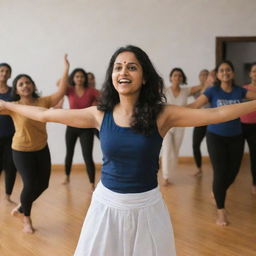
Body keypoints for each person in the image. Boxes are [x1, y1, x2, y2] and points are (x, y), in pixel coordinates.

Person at [1, 46, 256, 254]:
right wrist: (10, 107)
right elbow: (45, 114)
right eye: (118, 67)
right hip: (106, 206)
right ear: (112, 76)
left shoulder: (162, 114)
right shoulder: (99, 115)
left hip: (147, 206)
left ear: (144, 77)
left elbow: (217, 113)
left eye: (131, 67)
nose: (123, 71)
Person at [0, 55, 69, 233]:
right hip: (21, 151)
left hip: (41, 149)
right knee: (30, 184)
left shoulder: (42, 102)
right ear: (16, 89)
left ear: (33, 86)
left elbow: (61, 92)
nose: (25, 85)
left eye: (28, 82)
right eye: (21, 84)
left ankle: (22, 207)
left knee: (43, 184)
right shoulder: (13, 106)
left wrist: (66, 69)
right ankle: (27, 220)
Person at [188, 60, 256, 226]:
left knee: (232, 173)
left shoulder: (240, 91)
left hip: (236, 137)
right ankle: (221, 211)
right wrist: (172, 111)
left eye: (228, 70)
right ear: (217, 75)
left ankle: (217, 190)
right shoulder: (212, 91)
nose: (225, 73)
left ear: (232, 73)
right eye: (222, 70)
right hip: (215, 137)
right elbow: (196, 105)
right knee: (220, 173)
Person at [161, 67, 202, 186]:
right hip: (166, 125)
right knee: (167, 149)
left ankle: (170, 170)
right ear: (170, 78)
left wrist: (207, 80)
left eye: (179, 75)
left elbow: (200, 86)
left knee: (175, 150)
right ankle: (166, 177)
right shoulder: (165, 90)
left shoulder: (186, 91)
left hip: (180, 124)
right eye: (175, 75)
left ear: (182, 78)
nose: (177, 77)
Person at [62, 68, 99, 190]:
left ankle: (92, 184)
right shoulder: (69, 90)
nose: (79, 78)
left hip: (86, 128)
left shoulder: (91, 91)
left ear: (85, 79)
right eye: (77, 76)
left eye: (82, 76)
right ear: (73, 78)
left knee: (87, 156)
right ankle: (67, 176)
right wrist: (66, 69)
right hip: (71, 126)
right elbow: (59, 83)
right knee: (69, 153)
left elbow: (105, 98)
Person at [192, 69, 216, 176]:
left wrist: (208, 84)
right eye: (202, 74)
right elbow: (198, 101)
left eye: (206, 74)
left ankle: (217, 169)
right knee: (195, 145)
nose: (204, 76)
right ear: (199, 77)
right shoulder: (197, 90)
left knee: (212, 147)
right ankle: (199, 169)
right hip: (200, 121)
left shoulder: (214, 89)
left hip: (212, 121)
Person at [0, 63, 17, 203]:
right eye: (1, 71)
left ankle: (7, 195)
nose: (4, 73)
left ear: (10, 75)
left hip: (12, 135)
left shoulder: (14, 92)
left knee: (11, 166)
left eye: (7, 71)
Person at [240, 63, 256, 195]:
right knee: (235, 157)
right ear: (250, 74)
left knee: (254, 157)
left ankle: (254, 183)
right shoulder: (243, 89)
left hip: (255, 128)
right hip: (240, 126)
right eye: (254, 71)